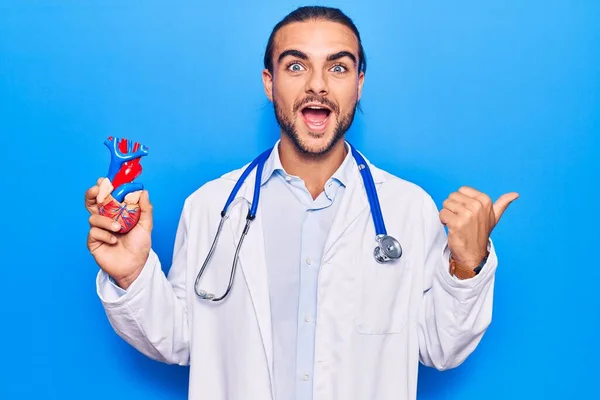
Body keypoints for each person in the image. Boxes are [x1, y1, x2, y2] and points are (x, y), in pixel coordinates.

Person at [85, 5, 518, 400]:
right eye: (296, 66)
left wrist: (467, 266)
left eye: (338, 67)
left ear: (359, 84)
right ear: (269, 83)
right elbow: (179, 338)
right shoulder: (211, 207)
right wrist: (132, 276)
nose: (317, 85)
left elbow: (439, 347)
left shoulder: (407, 208)